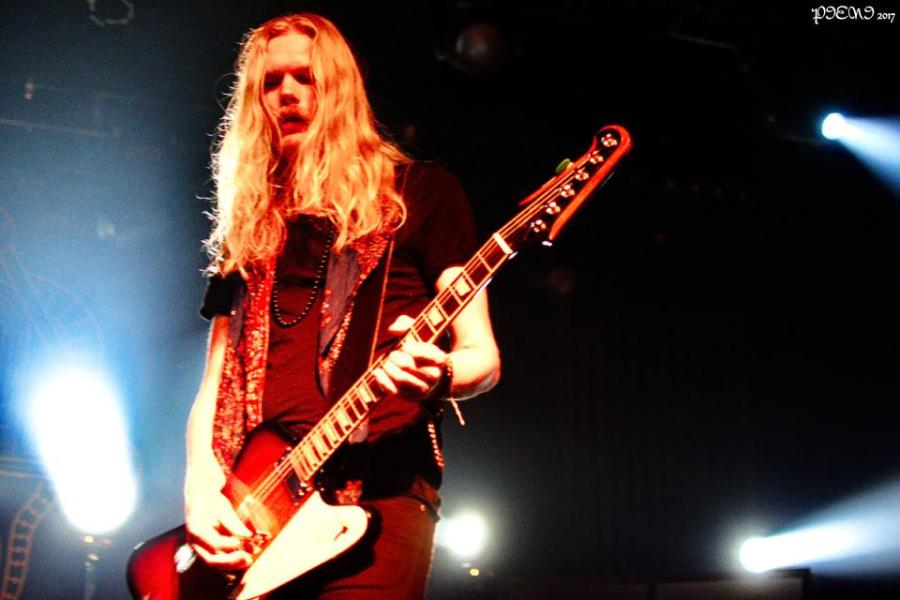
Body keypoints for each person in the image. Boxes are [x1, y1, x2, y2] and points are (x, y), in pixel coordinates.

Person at [183, 12, 500, 599]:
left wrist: (441, 374)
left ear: (340, 90)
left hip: (379, 491)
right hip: (258, 512)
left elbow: (482, 355)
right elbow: (213, 385)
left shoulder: (418, 194)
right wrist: (200, 489)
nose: (288, 94)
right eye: (271, 83)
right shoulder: (248, 234)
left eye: (306, 78)